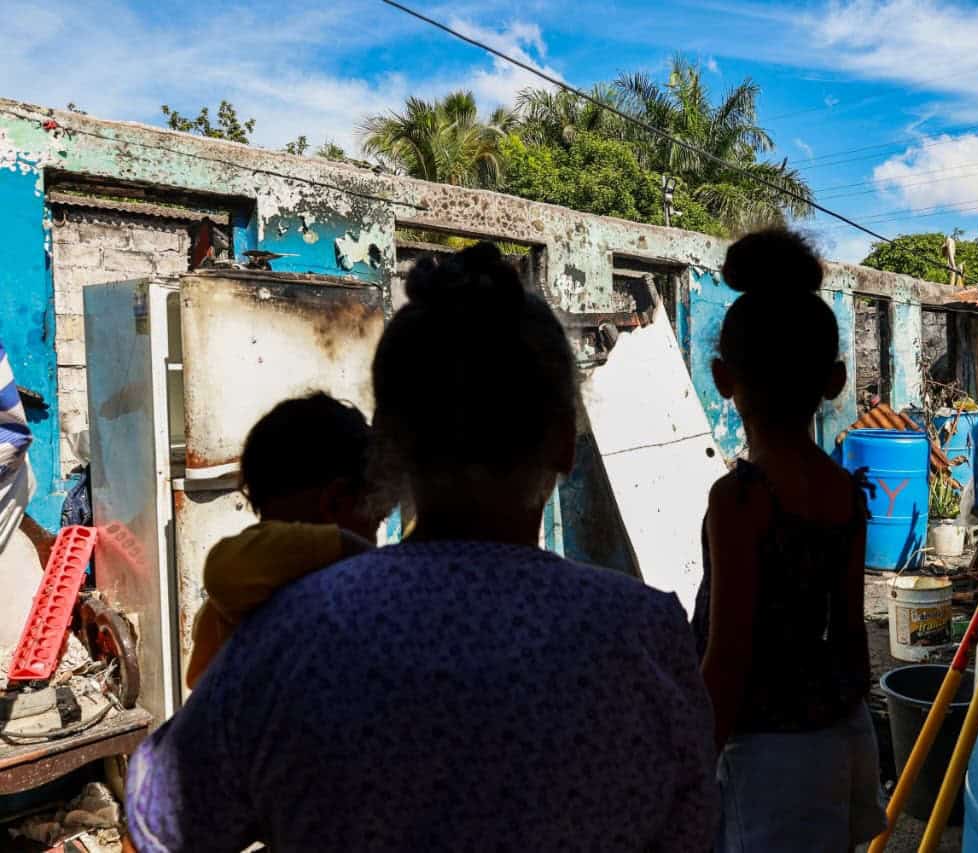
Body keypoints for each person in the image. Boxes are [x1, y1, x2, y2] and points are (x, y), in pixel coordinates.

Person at [127, 243, 717, 852]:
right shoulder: (644, 638)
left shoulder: (291, 634)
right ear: (565, 444)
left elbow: (157, 824)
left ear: (387, 450)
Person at [692, 228, 885, 852]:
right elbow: (852, 639)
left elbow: (727, 659)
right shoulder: (845, 492)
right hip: (842, 735)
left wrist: (689, 774)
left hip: (764, 755)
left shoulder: (739, 500)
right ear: (834, 381)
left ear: (723, 378)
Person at [184, 393, 382, 688]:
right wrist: (360, 553)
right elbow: (221, 569)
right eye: (375, 519)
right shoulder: (257, 577)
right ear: (335, 501)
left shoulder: (275, 578)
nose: (374, 535)